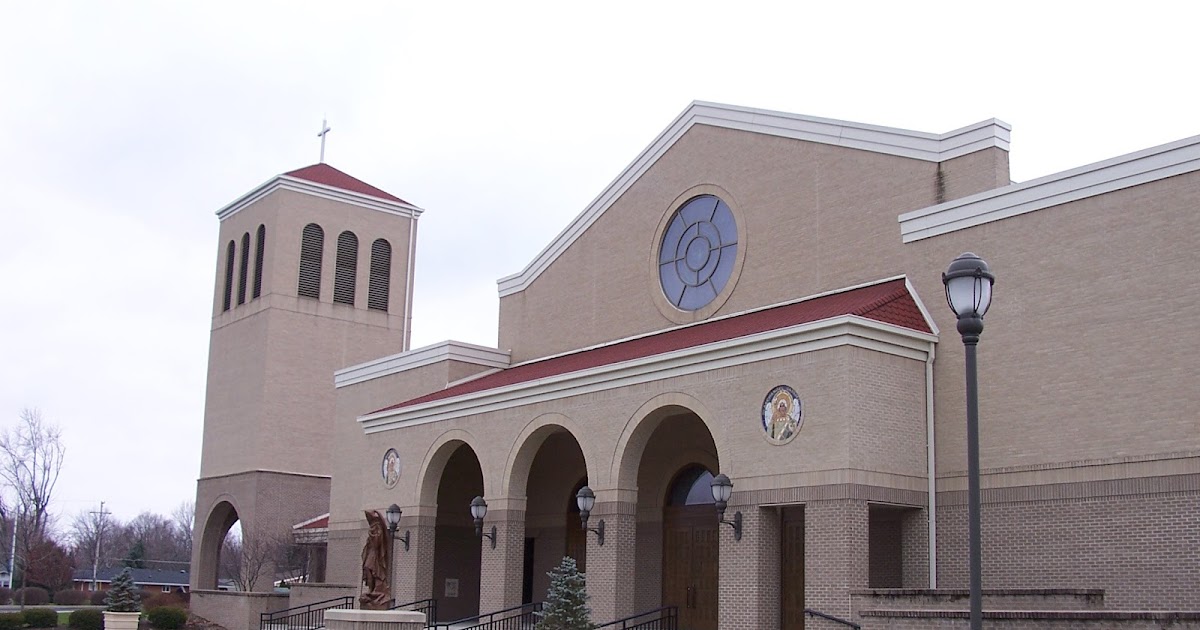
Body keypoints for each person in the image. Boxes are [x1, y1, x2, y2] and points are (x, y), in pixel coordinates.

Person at [359, 510, 391, 609]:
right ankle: (371, 588)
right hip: (370, 551)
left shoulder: (378, 526)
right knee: (367, 568)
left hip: (375, 554)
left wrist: (372, 534)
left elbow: (378, 541)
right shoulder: (373, 526)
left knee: (371, 568)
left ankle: (376, 590)